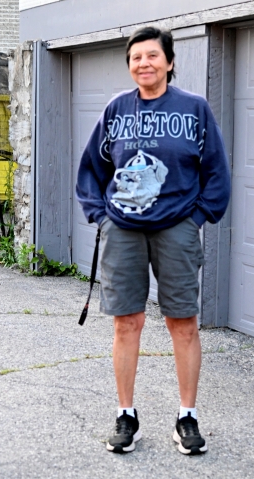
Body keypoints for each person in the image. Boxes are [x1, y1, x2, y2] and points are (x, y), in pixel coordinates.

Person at [76, 26, 230, 455]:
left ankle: (187, 417)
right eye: (136, 57)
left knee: (183, 322)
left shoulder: (193, 109)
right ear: (129, 65)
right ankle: (126, 415)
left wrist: (196, 218)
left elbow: (216, 170)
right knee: (126, 322)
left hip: (177, 226)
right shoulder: (116, 110)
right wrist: (101, 216)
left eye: (152, 56)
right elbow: (92, 169)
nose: (143, 63)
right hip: (122, 228)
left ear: (170, 62)